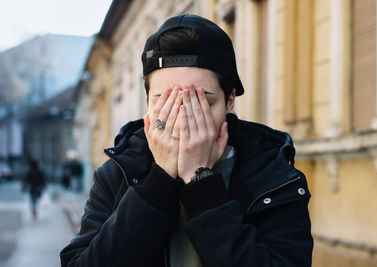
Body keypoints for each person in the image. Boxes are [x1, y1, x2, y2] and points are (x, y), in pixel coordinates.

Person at [61, 14, 313, 266]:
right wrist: (159, 180)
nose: (182, 118)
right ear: (148, 102)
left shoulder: (274, 177)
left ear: (230, 100)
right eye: (166, 102)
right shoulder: (118, 173)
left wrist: (200, 180)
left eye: (202, 101)